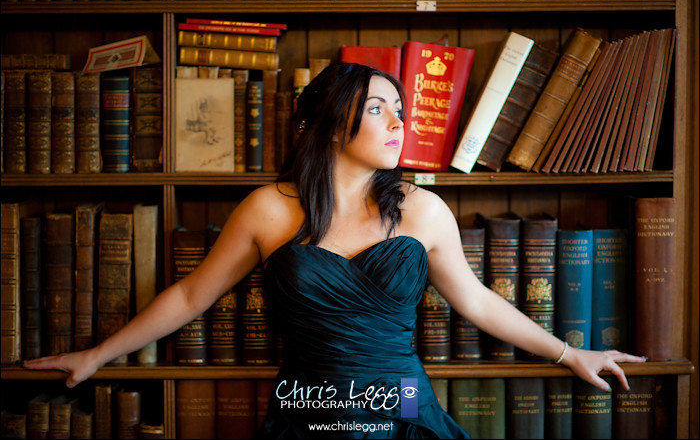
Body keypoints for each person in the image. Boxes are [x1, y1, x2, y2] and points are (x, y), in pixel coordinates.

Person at [24, 63, 646, 438]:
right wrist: (97, 355)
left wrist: (571, 353)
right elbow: (191, 294)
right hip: (308, 411)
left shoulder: (423, 209)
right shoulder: (270, 208)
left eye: (401, 110)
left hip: (403, 413)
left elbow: (478, 302)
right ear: (328, 121)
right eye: (379, 109)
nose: (399, 122)